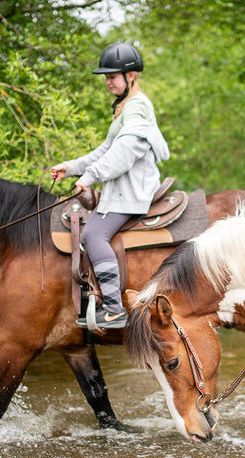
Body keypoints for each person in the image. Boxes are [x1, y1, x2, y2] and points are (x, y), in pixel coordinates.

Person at [51, 42, 170, 330]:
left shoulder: (137, 107)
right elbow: (106, 149)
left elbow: (124, 153)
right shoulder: (124, 108)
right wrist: (71, 168)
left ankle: (114, 308)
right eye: (105, 77)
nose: (107, 82)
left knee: (93, 234)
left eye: (112, 76)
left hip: (131, 192)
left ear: (131, 76)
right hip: (122, 189)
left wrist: (89, 177)